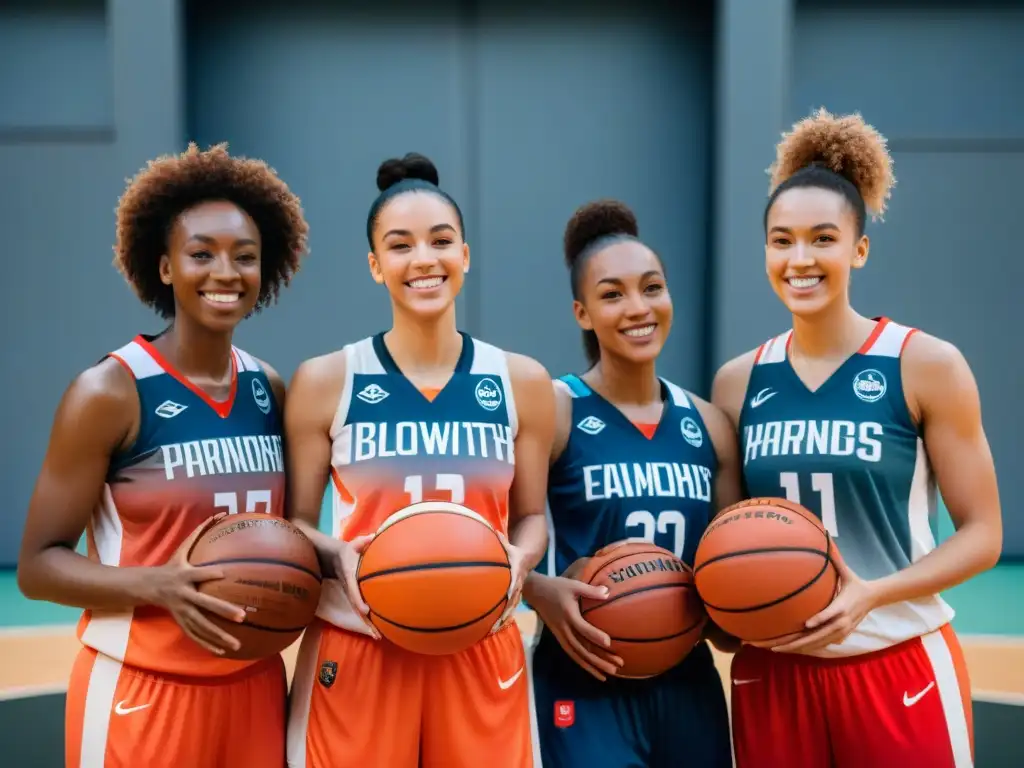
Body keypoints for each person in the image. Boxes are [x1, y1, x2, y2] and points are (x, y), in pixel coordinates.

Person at [711, 108, 1003, 768]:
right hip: (773, 672)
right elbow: (725, 531)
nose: (801, 259)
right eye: (782, 241)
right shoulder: (738, 382)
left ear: (859, 249)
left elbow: (985, 533)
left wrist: (874, 592)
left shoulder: (925, 364)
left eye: (822, 239)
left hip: (896, 659)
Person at [16, 143, 309, 768]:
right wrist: (161, 587)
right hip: (140, 690)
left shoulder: (270, 388)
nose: (225, 272)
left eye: (245, 257)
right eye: (201, 254)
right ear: (166, 267)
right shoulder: (109, 391)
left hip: (255, 688)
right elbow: (38, 567)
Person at [283, 153, 554, 768]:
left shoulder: (521, 381)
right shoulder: (328, 379)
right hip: (360, 640)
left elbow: (531, 515)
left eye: (440, 241)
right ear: (376, 266)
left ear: (465, 254)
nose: (423, 260)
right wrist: (336, 552)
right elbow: (296, 521)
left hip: (480, 638)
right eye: (399, 246)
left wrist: (521, 557)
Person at [524, 199, 742, 768]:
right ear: (582, 313)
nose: (638, 307)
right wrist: (537, 592)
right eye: (612, 294)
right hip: (582, 672)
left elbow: (733, 568)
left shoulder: (709, 424)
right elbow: (494, 533)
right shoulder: (555, 407)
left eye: (652, 288)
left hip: (686, 675)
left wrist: (745, 608)